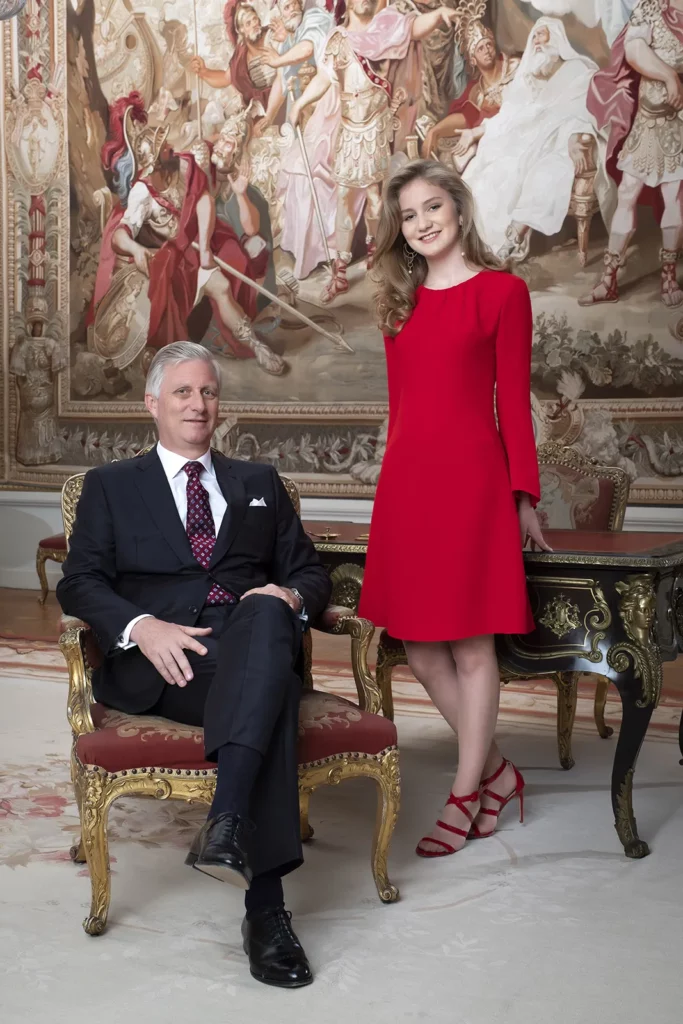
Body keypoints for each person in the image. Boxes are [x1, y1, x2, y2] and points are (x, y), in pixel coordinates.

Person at [57, 341, 332, 988]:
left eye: (207, 391)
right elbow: (80, 582)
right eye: (182, 391)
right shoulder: (111, 485)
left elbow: (308, 575)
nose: (198, 403)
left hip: (248, 640)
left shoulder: (258, 484)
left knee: (266, 619)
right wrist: (140, 626)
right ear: (152, 403)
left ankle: (231, 831)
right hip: (165, 663)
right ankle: (265, 908)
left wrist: (289, 595)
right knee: (272, 694)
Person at [359, 159, 550, 858]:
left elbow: (514, 405)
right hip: (408, 486)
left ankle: (466, 793)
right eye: (407, 215)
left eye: (431, 207)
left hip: (473, 484)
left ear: (459, 210)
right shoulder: (398, 306)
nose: (421, 223)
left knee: (472, 644)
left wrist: (521, 494)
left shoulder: (502, 293)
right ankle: (497, 771)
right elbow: (399, 410)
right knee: (417, 644)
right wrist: (390, 489)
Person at [94, 92, 284, 375]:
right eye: (163, 148)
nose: (170, 147)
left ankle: (257, 347)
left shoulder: (183, 165)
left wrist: (206, 247)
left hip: (200, 245)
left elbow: (204, 200)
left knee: (220, 286)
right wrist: (136, 250)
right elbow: (119, 236)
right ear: (154, 163)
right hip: (175, 259)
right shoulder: (142, 193)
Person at [289, 0, 460, 298]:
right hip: (349, 126)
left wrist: (438, 14)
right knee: (344, 196)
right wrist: (302, 103)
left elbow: (414, 28)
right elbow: (325, 78)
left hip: (376, 125)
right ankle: (339, 270)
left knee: (373, 196)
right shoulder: (338, 37)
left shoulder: (387, 24)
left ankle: (375, 254)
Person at [460, 17, 608, 261]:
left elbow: (587, 111)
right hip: (528, 139)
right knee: (489, 171)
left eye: (543, 35)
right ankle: (473, 241)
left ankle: (510, 240)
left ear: (558, 37)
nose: (538, 41)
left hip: (563, 139)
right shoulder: (530, 76)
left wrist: (574, 136)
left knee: (545, 172)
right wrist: (475, 132)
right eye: (534, 37)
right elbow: (510, 116)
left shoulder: (579, 70)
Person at [580, 0, 683, 308]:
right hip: (648, 121)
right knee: (627, 193)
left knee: (674, 195)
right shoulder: (651, 6)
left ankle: (668, 276)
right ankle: (608, 279)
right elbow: (635, 51)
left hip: (679, 122)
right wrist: (669, 76)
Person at [421, 19, 520, 170]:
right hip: (495, 145)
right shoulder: (476, 92)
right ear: (473, 60)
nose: (486, 50)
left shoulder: (516, 67)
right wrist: (435, 131)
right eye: (480, 48)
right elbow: (467, 118)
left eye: (488, 45)